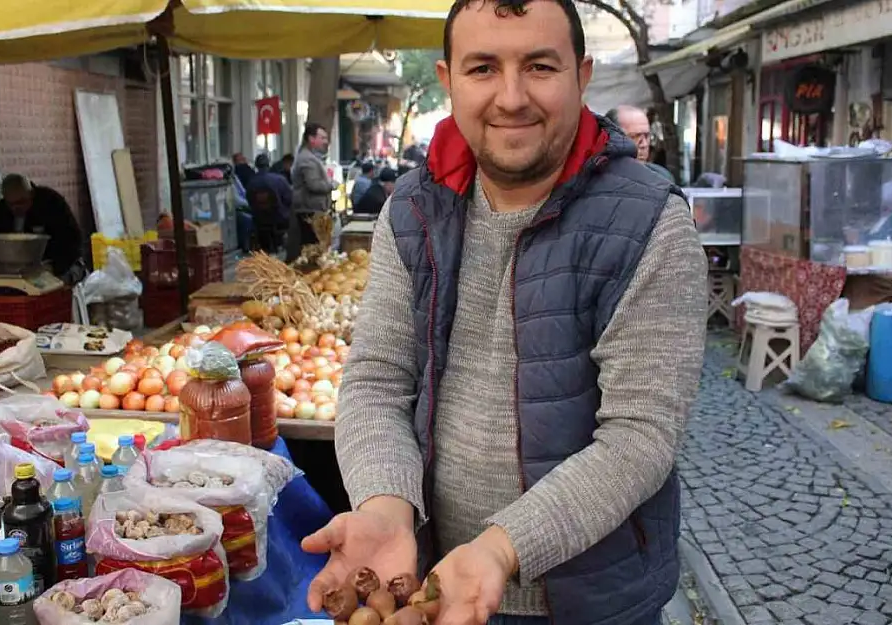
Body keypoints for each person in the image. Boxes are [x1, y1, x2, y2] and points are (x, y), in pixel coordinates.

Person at [302, 0, 706, 623]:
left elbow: (639, 435)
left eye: (540, 66)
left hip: (591, 600)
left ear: (582, 74)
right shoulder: (410, 210)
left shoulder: (650, 221)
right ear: (447, 80)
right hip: (431, 581)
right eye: (483, 68)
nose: (511, 97)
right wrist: (385, 504)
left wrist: (500, 549)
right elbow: (377, 380)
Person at [0, 174, 85, 284]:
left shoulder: (51, 203)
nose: (17, 207)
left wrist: (54, 267)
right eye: (11, 204)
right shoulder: (0, 212)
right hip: (17, 269)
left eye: (22, 202)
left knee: (55, 285)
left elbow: (73, 241)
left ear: (32, 194)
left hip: (58, 264)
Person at [288, 122, 335, 261]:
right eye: (322, 138)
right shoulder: (307, 159)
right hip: (309, 210)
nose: (325, 141)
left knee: (314, 249)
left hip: (311, 209)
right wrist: (331, 184)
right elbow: (314, 185)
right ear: (311, 139)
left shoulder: (309, 156)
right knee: (311, 249)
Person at [605, 106, 676, 183]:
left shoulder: (663, 177)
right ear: (611, 138)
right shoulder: (596, 182)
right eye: (634, 137)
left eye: (647, 136)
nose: (644, 144)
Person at [248, 153, 293, 253]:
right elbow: (290, 199)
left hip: (260, 221)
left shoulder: (251, 182)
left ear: (256, 165)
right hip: (280, 219)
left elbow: (250, 202)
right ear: (269, 164)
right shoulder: (279, 179)